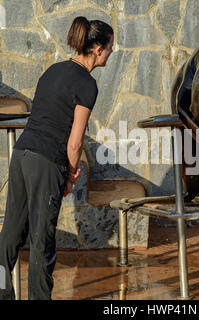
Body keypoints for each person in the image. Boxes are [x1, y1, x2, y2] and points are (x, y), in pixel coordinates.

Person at [0, 16, 114, 300]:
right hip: (46, 161)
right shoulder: (87, 84)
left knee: (9, 235)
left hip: (22, 154)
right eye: (111, 47)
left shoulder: (52, 71)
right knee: (41, 240)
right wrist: (71, 173)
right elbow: (75, 144)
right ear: (98, 48)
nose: (112, 52)